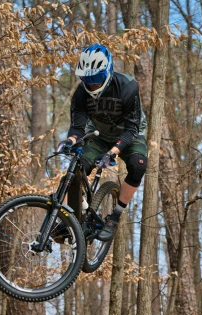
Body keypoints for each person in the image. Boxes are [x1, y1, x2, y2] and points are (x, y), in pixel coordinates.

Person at [56, 44, 148, 242]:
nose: (92, 85)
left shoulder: (127, 86)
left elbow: (132, 129)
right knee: (77, 166)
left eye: (96, 79)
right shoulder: (81, 93)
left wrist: (112, 152)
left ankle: (114, 217)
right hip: (98, 134)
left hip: (129, 135)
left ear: (107, 71)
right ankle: (68, 219)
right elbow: (78, 127)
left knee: (138, 165)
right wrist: (70, 141)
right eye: (87, 80)